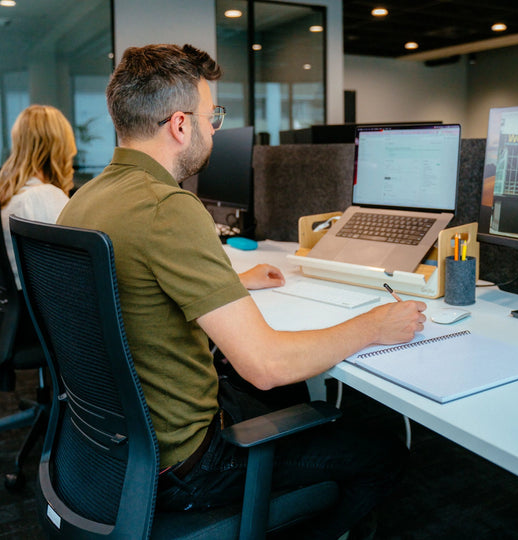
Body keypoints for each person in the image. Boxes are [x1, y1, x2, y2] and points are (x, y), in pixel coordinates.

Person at [57, 44, 427, 539]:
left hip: (114, 445)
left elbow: (142, 283)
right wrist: (373, 325)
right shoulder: (168, 207)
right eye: (213, 116)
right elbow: (266, 365)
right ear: (180, 125)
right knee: (382, 452)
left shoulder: (84, 201)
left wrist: (229, 281)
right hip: (187, 462)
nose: (215, 129)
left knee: (295, 397)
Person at [0, 104, 76, 345]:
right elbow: (72, 272)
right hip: (36, 320)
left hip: (10, 316)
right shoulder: (45, 197)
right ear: (59, 147)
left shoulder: (8, 194)